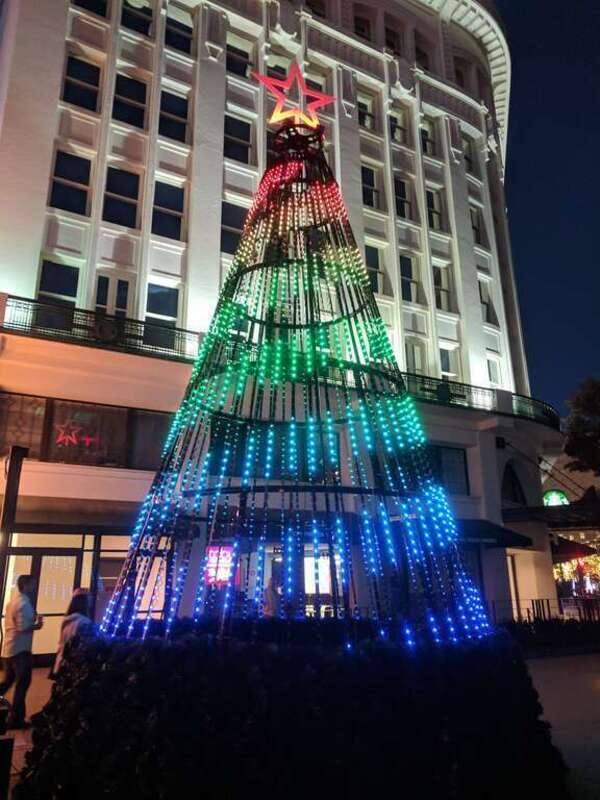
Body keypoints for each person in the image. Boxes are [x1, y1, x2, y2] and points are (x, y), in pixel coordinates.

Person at [0, 575, 43, 729]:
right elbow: (22, 627)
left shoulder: (13, 602)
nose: (34, 587)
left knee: (8, 681)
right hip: (20, 650)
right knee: (22, 684)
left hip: (9, 648)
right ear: (25, 586)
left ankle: (13, 716)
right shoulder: (24, 603)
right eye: (33, 584)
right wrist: (38, 625)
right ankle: (16, 719)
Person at [52, 589, 95, 676]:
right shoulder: (84, 622)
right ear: (84, 602)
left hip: (63, 661)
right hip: (76, 665)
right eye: (89, 599)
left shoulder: (67, 620)